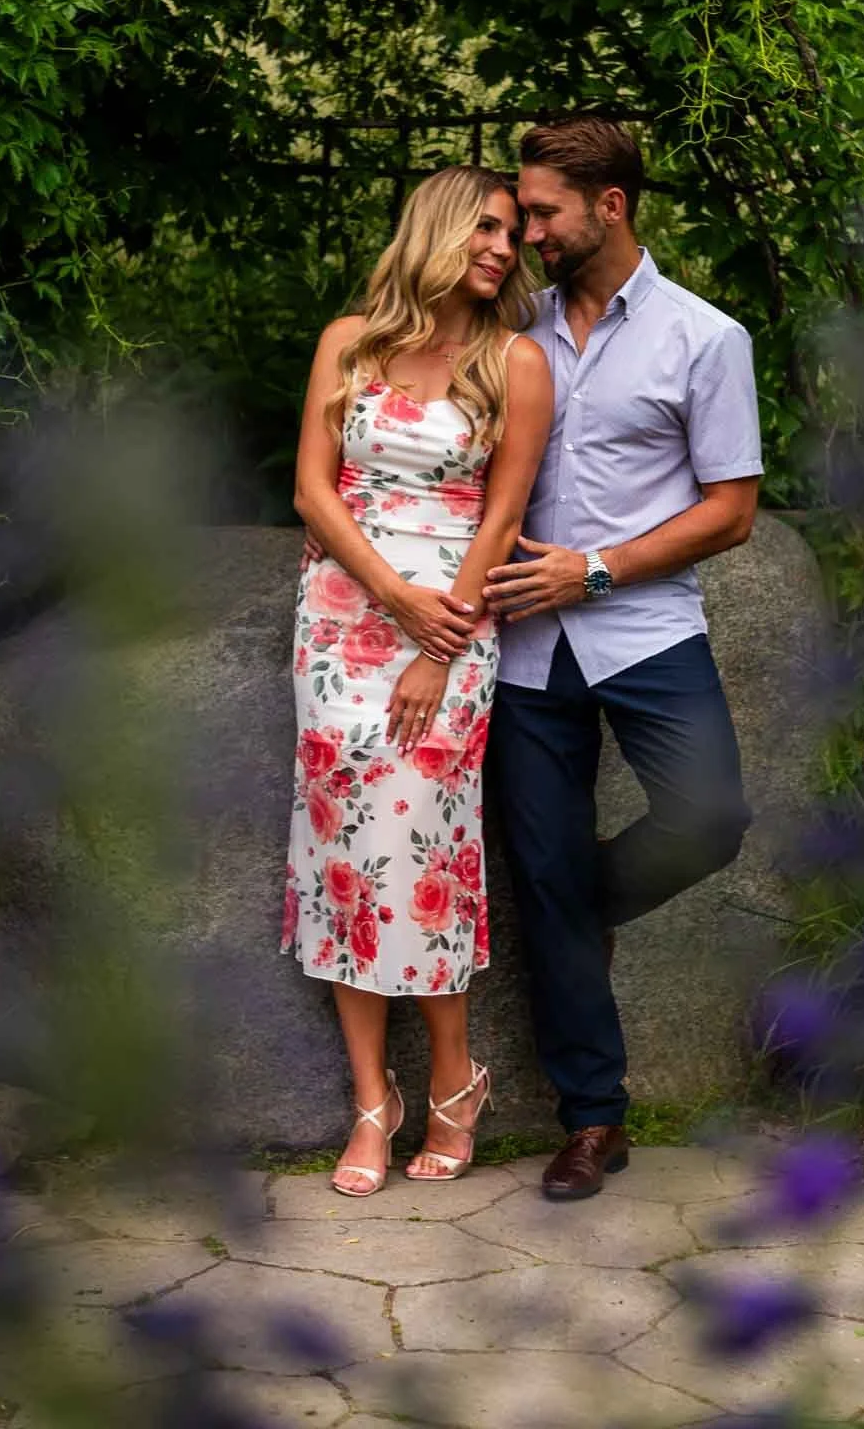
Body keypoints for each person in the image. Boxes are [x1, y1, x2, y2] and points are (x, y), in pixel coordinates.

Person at [483, 118, 761, 1202]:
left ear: (610, 204)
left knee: (708, 818)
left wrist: (590, 571)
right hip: (518, 647)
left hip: (643, 630)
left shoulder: (704, 337)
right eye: (522, 210)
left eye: (542, 211)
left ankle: (575, 906)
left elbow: (731, 511)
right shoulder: (512, 330)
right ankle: (593, 1118)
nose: (526, 231)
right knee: (540, 871)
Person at [285, 166, 553, 1197]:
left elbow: (501, 516)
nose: (503, 245)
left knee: (422, 853)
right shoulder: (348, 344)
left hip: (449, 624)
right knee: (341, 857)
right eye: (484, 226)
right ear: (436, 228)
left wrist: (436, 644)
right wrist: (388, 594)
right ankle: (371, 1103)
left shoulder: (514, 363)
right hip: (345, 617)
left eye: (511, 233)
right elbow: (312, 489)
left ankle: (452, 1074)